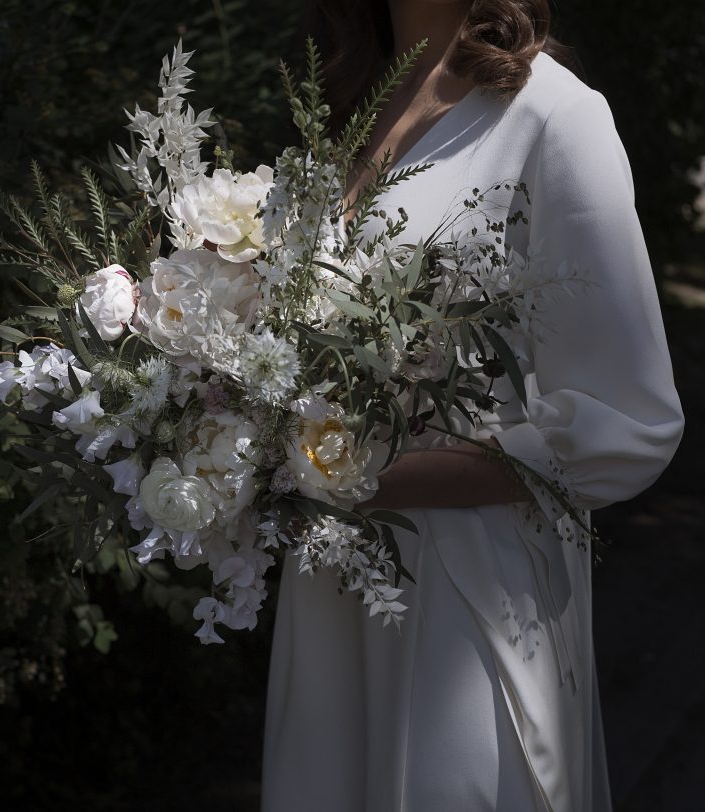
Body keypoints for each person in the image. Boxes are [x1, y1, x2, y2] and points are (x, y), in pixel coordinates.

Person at [261, 1, 685, 810]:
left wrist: (370, 479)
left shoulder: (555, 117)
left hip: (467, 593)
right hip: (332, 591)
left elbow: (629, 421)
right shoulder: (343, 111)